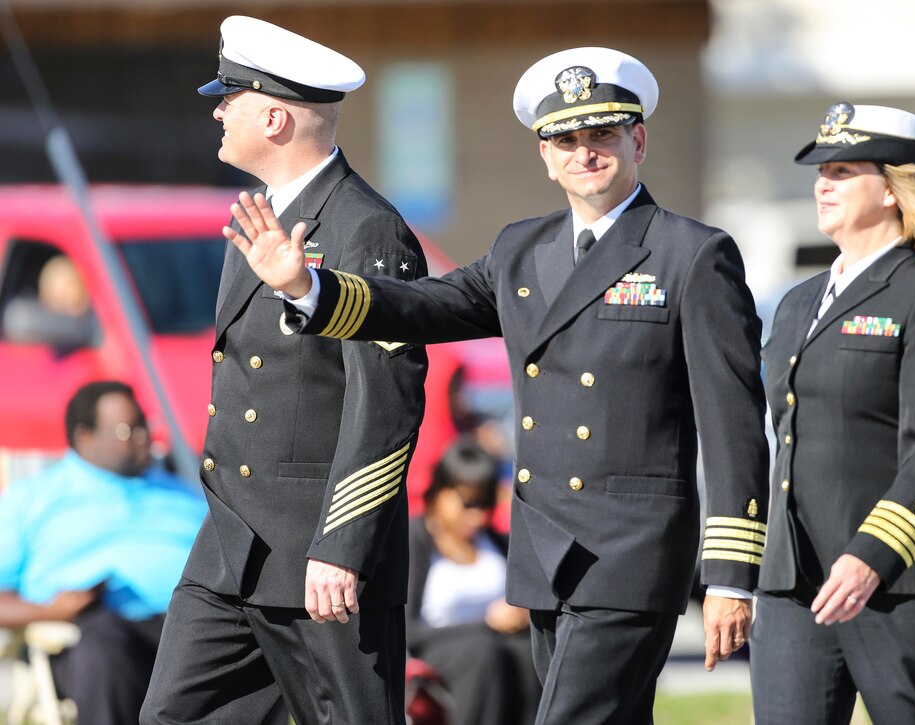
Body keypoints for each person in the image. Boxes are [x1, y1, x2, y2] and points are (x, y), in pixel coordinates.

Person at [226, 46, 770, 724]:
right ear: (545, 155)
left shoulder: (691, 253)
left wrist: (729, 574)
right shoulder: (522, 248)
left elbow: (734, 423)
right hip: (544, 549)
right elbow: (424, 306)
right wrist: (308, 286)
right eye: (565, 139)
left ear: (638, 139)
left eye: (601, 134)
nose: (584, 152)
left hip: (631, 553)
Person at [140, 16, 428, 725]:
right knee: (175, 714)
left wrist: (343, 545)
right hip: (233, 542)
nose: (216, 109)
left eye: (228, 96)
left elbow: (385, 402)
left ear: (273, 116)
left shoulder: (367, 228)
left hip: (317, 552)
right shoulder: (261, 218)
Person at [754, 102, 915, 724]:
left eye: (843, 170)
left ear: (892, 190)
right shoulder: (797, 303)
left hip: (898, 584)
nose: (822, 183)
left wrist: (872, 557)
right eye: (820, 170)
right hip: (794, 585)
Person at [0, 380, 205, 725]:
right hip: (93, 633)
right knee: (103, 646)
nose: (145, 437)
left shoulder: (182, 493)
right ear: (85, 437)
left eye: (145, 425)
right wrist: (50, 610)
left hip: (185, 625)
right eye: (129, 430)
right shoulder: (32, 500)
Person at [407, 437, 540, 725]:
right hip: (435, 648)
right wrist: (487, 625)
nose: (477, 515)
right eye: (468, 502)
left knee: (529, 651)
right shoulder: (415, 538)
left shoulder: (493, 540)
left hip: (496, 643)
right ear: (440, 491)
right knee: (481, 652)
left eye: (485, 503)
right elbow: (406, 630)